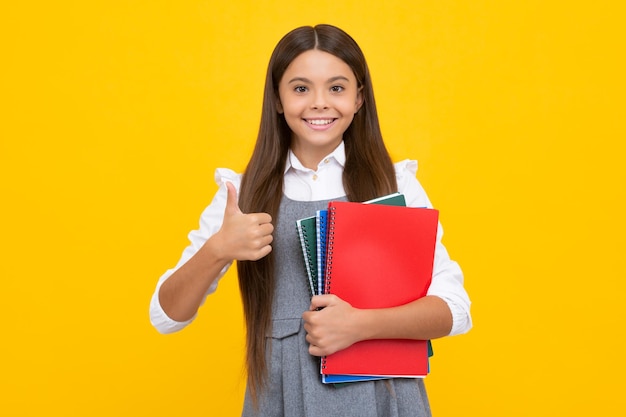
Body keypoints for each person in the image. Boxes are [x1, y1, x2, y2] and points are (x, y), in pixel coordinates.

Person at [149, 24, 471, 417]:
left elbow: (455, 310)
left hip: (383, 399)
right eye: (301, 88)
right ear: (278, 100)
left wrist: (359, 325)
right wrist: (218, 249)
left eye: (336, 88)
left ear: (359, 99)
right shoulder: (241, 193)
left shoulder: (395, 182)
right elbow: (166, 317)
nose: (319, 103)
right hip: (282, 398)